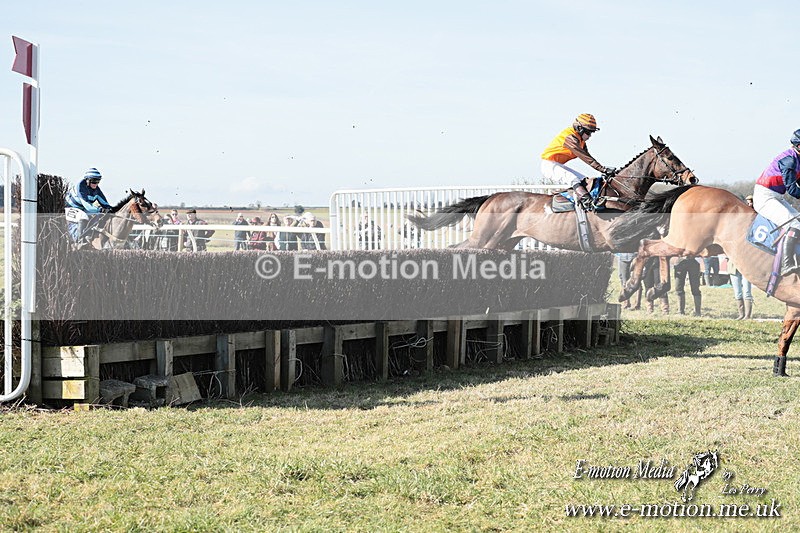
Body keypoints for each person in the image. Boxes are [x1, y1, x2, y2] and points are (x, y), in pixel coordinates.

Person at [540, 113, 617, 211]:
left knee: (584, 180)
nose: (590, 136)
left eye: (591, 133)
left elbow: (588, 157)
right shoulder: (570, 138)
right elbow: (584, 157)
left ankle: (575, 196)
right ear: (580, 129)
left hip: (557, 164)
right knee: (573, 179)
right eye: (588, 133)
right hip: (549, 165)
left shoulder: (580, 140)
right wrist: (603, 169)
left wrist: (603, 170)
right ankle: (587, 203)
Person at [753, 129, 800, 275]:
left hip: (777, 196)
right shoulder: (789, 160)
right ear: (798, 146)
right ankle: (786, 264)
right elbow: (792, 189)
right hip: (764, 197)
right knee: (794, 223)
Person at [64, 167, 113, 243]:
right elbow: (87, 206)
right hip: (70, 208)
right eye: (93, 181)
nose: (95, 184)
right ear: (87, 180)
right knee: (83, 216)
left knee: (98, 216)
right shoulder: (81, 186)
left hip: (82, 209)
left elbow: (105, 204)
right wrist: (100, 210)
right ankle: (79, 240)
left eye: (98, 181)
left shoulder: (97, 189)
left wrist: (112, 210)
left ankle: (89, 235)